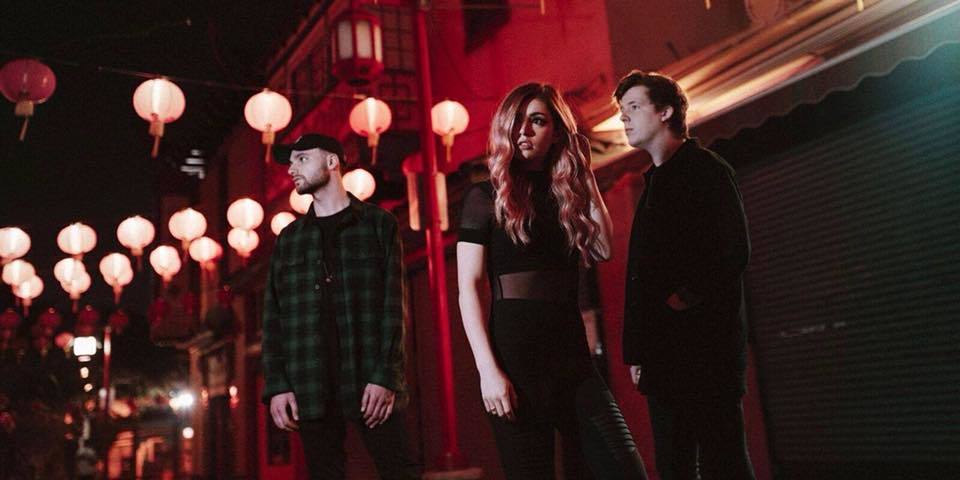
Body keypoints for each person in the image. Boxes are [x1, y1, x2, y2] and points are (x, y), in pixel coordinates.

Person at [458, 82, 648, 479]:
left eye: (538, 121)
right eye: (517, 121)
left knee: (626, 470)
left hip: (572, 360)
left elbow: (603, 249)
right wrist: (488, 371)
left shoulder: (568, 194)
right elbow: (469, 289)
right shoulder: (484, 196)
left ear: (557, 132)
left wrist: (584, 172)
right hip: (514, 362)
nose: (524, 130)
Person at [617, 70, 756, 480]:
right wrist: (638, 350)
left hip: (705, 350)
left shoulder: (705, 169)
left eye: (634, 107)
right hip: (664, 357)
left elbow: (733, 250)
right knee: (674, 464)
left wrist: (683, 299)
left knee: (723, 461)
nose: (624, 117)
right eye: (622, 110)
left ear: (665, 112)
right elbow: (642, 275)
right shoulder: (653, 183)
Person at [261, 134, 418, 479]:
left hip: (369, 376)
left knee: (400, 470)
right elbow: (273, 318)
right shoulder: (290, 239)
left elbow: (393, 307)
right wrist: (277, 385)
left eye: (302, 159)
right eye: (291, 161)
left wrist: (385, 376)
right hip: (309, 382)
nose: (291, 168)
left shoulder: (378, 224)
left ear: (332, 162)